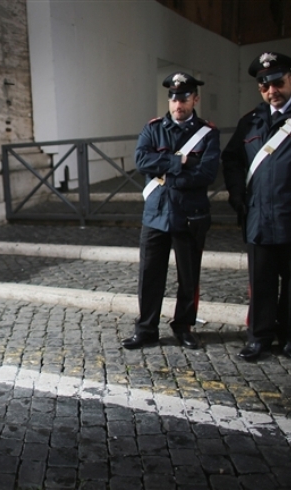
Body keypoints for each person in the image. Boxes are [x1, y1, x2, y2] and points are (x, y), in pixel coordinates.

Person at [222, 52, 291, 362]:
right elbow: (233, 160)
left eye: (277, 82)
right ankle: (259, 337)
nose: (271, 91)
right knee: (261, 282)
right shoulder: (251, 120)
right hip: (259, 217)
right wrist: (238, 196)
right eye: (264, 86)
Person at [122, 72, 220, 350]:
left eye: (184, 99)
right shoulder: (152, 129)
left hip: (190, 214)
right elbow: (142, 160)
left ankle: (183, 326)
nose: (178, 105)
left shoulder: (208, 133)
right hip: (156, 214)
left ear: (195, 99)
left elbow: (207, 173)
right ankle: (146, 329)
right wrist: (182, 160)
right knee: (150, 276)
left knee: (188, 277)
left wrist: (166, 167)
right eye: (174, 99)